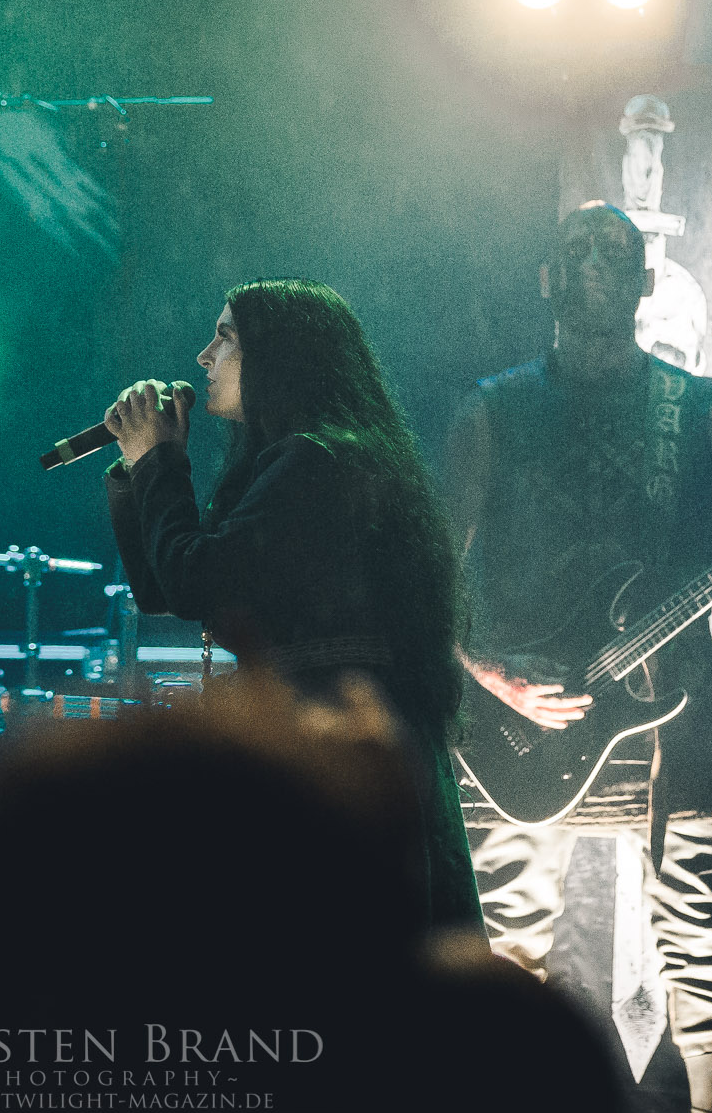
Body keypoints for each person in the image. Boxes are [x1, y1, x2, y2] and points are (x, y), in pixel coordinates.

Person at [442, 202, 712, 1113]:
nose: (596, 262)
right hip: (527, 717)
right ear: (546, 280)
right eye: (576, 249)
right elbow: (426, 575)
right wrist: (489, 670)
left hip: (679, 716)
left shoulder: (706, 409)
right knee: (503, 959)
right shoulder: (491, 410)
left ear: (647, 281)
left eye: (615, 250)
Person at [102, 278, 482, 928]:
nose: (203, 356)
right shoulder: (297, 460)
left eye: (225, 337)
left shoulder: (320, 461)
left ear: (280, 356)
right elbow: (165, 589)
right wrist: (144, 467)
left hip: (340, 753)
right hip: (330, 743)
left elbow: (196, 581)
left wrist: (158, 461)